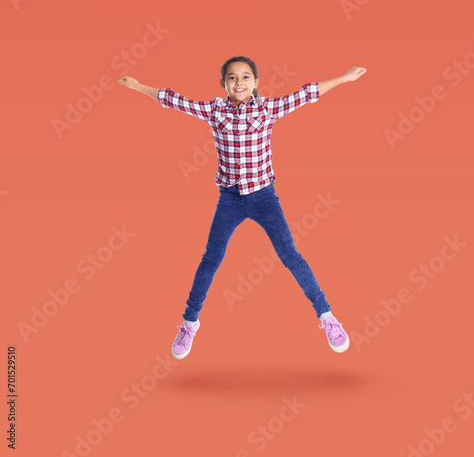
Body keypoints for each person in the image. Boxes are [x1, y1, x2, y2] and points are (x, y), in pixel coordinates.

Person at [118, 55, 366, 359]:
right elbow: (175, 100)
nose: (239, 82)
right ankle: (189, 324)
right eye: (232, 77)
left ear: (256, 82)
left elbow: (306, 93)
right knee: (211, 259)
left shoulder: (267, 109)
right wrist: (139, 86)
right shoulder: (215, 111)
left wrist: (343, 78)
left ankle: (328, 318)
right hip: (230, 200)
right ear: (223, 83)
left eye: (246, 77)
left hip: (264, 198)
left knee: (290, 255)